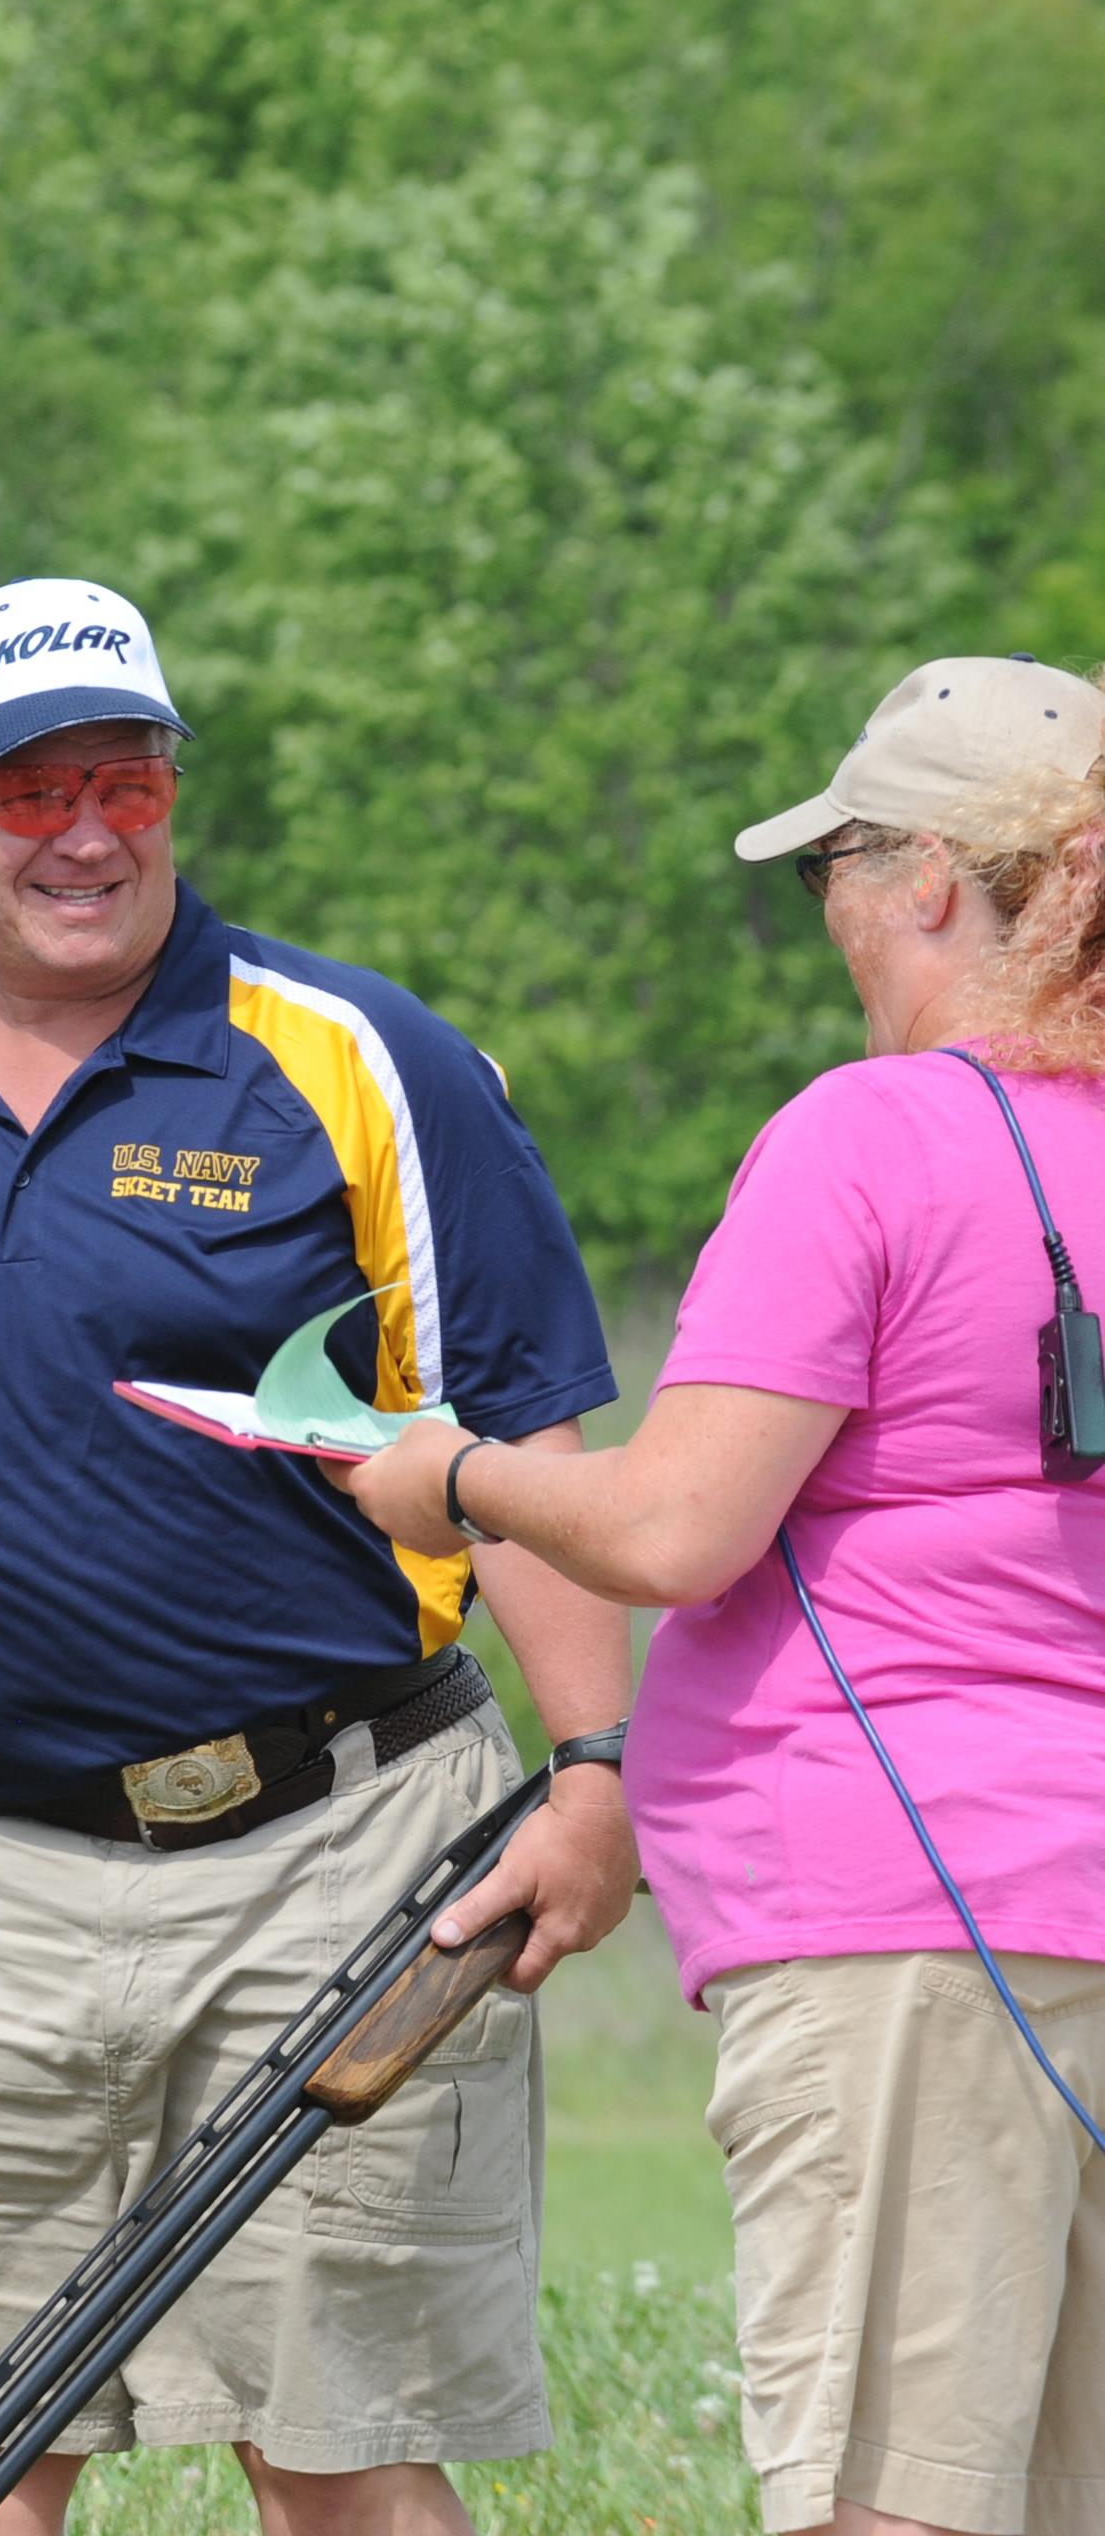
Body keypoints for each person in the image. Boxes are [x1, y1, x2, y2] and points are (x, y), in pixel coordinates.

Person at [0, 578, 641, 2534]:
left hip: (323, 1845)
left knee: (332, 2446)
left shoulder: (358, 1058)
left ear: (170, 788)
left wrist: (591, 1767)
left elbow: (521, 1435)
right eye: (26, 789)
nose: (83, 833)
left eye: (124, 780)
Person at [338, 654, 1105, 2536]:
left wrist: (450, 1475)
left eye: (830, 868)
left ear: (927, 878)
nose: (832, 914)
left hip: (911, 1932)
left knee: (889, 2500)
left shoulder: (864, 1135)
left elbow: (682, 1531)